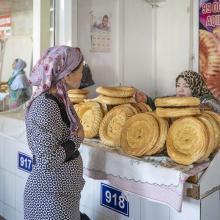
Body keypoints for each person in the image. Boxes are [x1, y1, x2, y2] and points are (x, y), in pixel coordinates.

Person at [24, 46, 92, 220]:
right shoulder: (46, 105)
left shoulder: (59, 99)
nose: (83, 73)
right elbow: (47, 160)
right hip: (50, 202)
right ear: (67, 74)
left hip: (62, 197)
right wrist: (76, 140)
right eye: (80, 69)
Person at [135, 70, 220, 113]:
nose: (180, 89)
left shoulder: (206, 99)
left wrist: (204, 107)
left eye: (186, 86)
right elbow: (158, 103)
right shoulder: (176, 99)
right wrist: (145, 99)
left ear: (196, 88)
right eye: (178, 85)